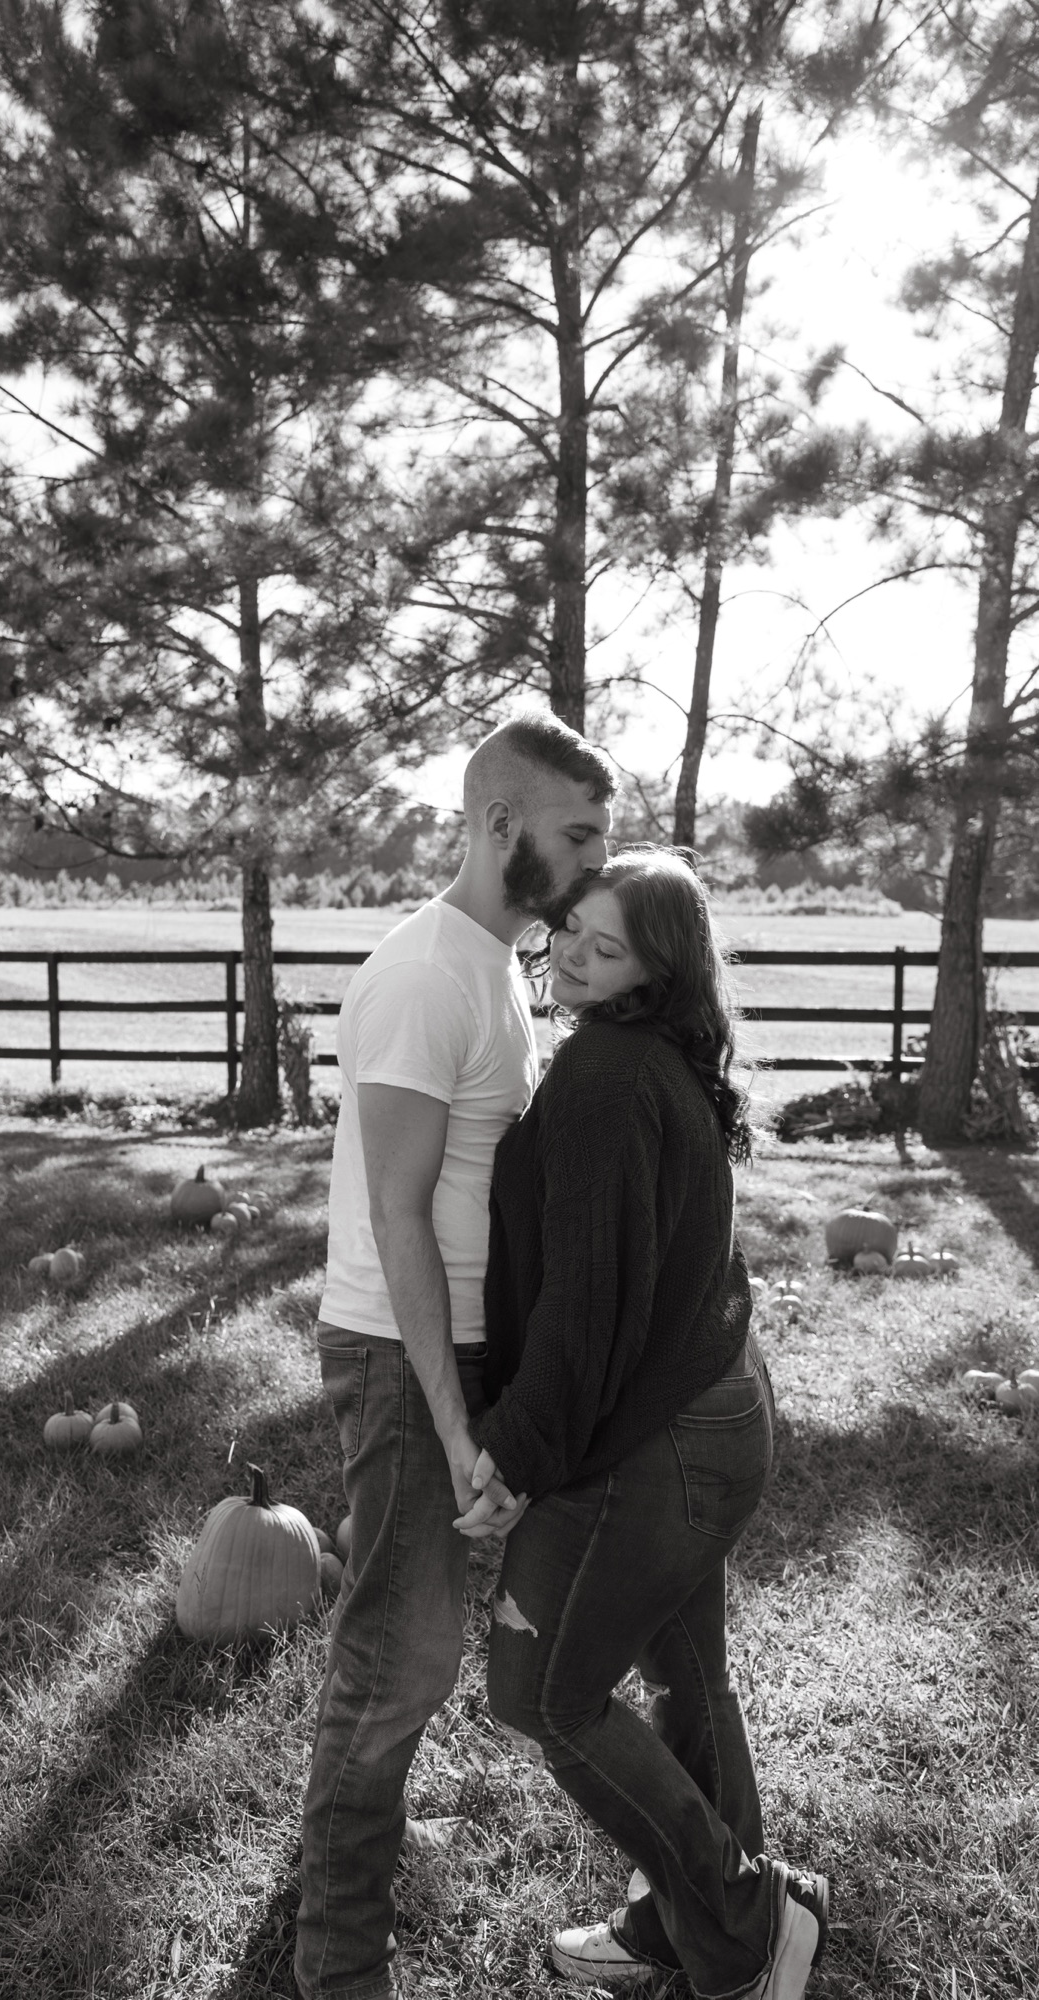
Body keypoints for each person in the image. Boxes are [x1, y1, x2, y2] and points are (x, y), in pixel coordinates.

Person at [461, 849, 829, 2000]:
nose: (570, 951)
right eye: (572, 925)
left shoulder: (608, 1074)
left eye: (604, 945)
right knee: (687, 1672)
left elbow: (586, 1304)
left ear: (652, 971)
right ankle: (702, 1928)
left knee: (543, 1694)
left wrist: (514, 1451)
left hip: (657, 1446)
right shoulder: (654, 1054)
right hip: (712, 1417)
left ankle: (745, 1913)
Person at [294, 712, 620, 2000]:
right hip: (400, 1353)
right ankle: (338, 1958)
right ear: (498, 825)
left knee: (420, 1642)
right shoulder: (427, 974)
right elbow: (397, 1215)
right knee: (397, 1653)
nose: (598, 860)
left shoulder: (496, 965)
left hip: (462, 1350)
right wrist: (448, 1417)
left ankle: (359, 1832)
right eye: (578, 834)